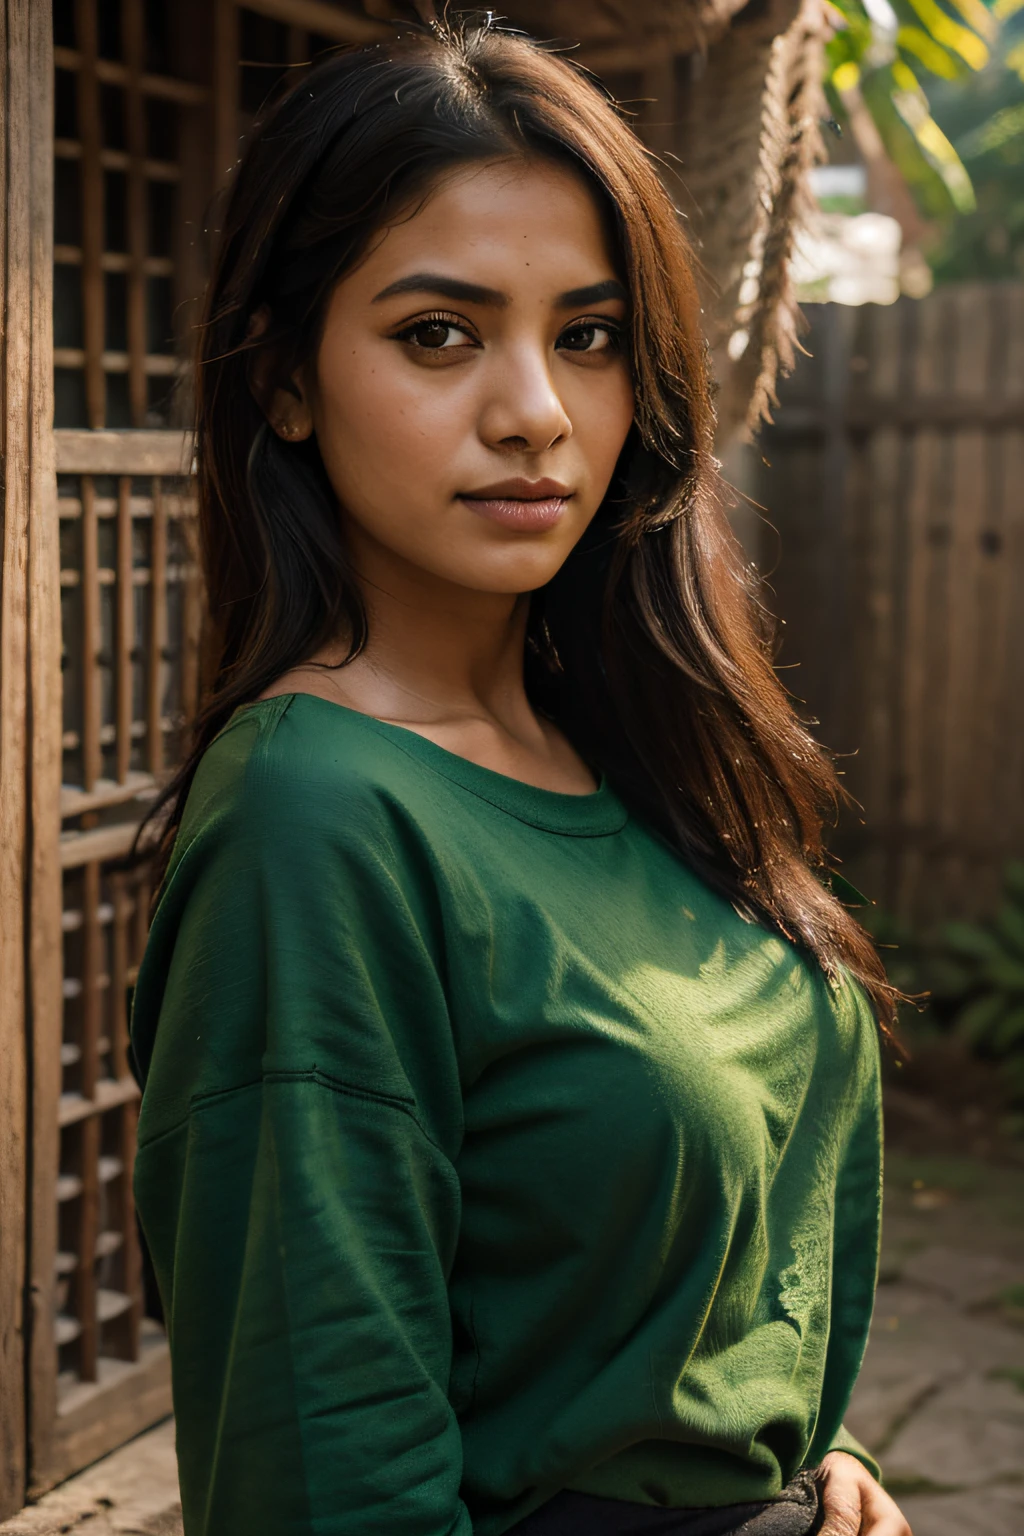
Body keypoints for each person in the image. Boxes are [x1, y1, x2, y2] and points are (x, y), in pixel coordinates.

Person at [130, 18, 911, 1536]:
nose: (537, 412)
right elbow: (323, 1467)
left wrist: (812, 1458)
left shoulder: (641, 746)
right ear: (286, 379)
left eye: (591, 335)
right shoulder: (318, 820)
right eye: (439, 332)